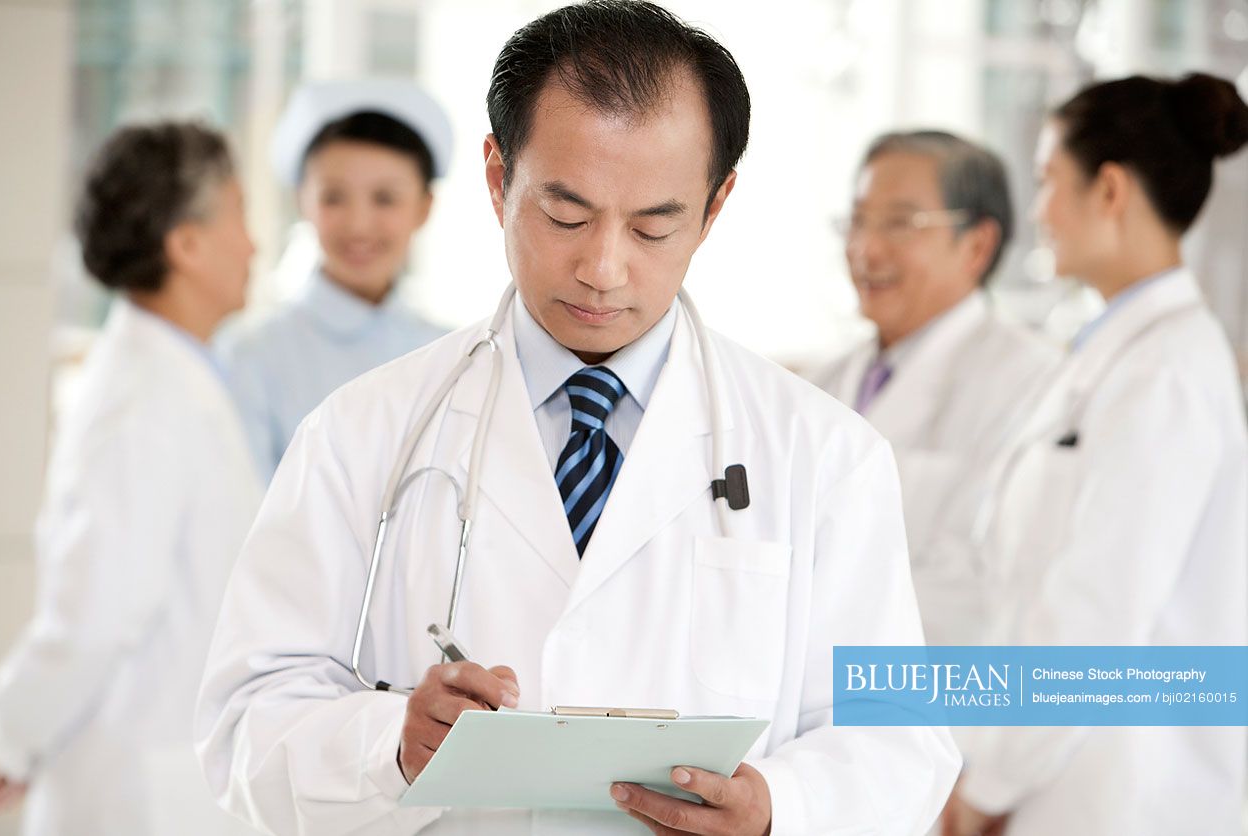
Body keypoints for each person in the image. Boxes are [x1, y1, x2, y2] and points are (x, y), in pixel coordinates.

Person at [196, 2, 961, 834]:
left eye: (654, 224)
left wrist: (781, 807)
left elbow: (902, 743)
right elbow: (244, 727)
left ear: (714, 206)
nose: (602, 267)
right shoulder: (361, 433)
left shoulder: (824, 455)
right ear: (497, 180)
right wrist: (393, 746)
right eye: (565, 214)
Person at [942, 73, 1248, 836]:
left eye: (1048, 181)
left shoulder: (1164, 372)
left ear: (1108, 189)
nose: (1038, 212)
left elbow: (1093, 617)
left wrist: (987, 788)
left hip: (1121, 796)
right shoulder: (1117, 354)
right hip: (1064, 777)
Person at [0, 123, 262, 835]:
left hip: (170, 773)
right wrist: (6, 739)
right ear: (186, 244)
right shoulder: (144, 401)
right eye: (238, 214)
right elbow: (95, 613)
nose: (254, 244)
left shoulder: (178, 379)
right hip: (132, 792)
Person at [810, 132, 1059, 647]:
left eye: (900, 224)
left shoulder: (1035, 385)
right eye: (858, 220)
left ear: (977, 244)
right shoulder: (825, 384)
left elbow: (981, 589)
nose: (865, 249)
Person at [220, 79, 453, 480]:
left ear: (424, 207)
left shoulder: (456, 356)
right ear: (302, 201)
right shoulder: (250, 356)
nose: (359, 225)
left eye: (385, 199)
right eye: (333, 197)